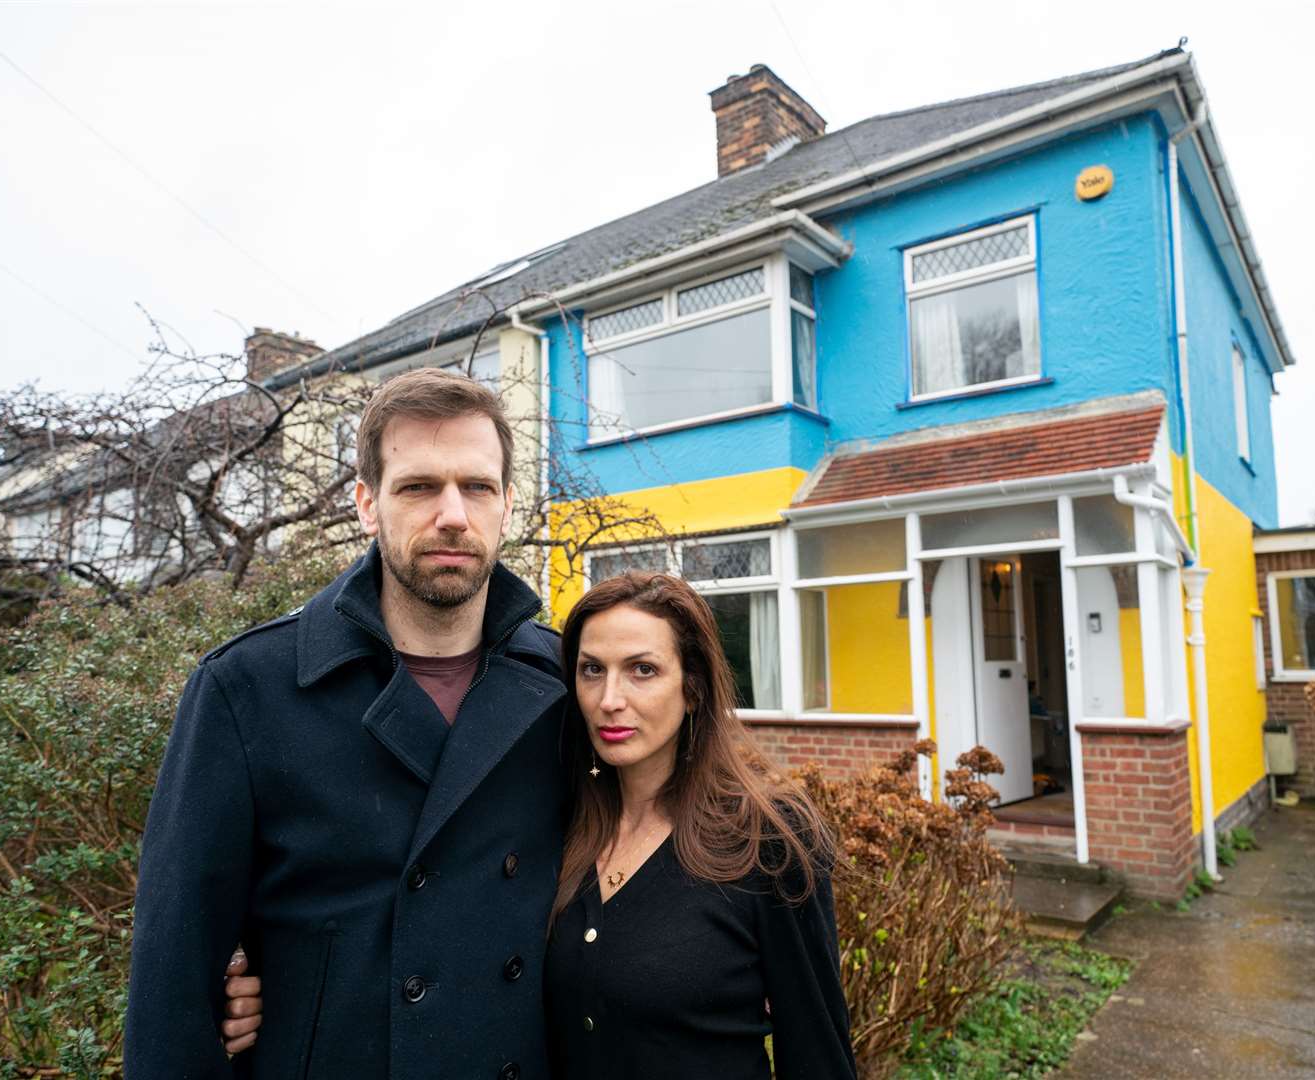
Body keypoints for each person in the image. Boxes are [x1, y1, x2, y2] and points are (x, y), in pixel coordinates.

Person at [225, 571, 858, 1078]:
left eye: (643, 670)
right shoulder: (564, 820)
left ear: (692, 687)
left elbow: (818, 1050)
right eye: (591, 670)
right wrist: (273, 979)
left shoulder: (769, 839)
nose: (610, 699)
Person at [125, 369, 569, 1080]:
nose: (453, 514)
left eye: (478, 487)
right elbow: (174, 973)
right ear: (367, 504)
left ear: (509, 506)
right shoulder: (247, 688)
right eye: (419, 486)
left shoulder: (563, 680)